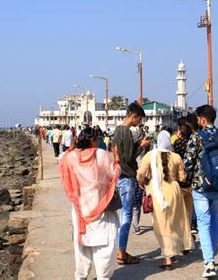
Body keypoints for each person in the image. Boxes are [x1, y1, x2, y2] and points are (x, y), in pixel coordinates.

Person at [59, 127, 121, 280]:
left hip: (80, 208)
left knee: (82, 246)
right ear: (93, 140)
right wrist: (117, 158)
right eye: (97, 138)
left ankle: (81, 276)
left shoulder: (71, 156)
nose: (99, 141)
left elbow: (62, 161)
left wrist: (71, 148)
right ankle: (103, 276)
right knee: (105, 246)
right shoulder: (102, 155)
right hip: (100, 206)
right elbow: (114, 174)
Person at [184, 105, 218, 278]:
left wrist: (188, 178)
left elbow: (188, 162)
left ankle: (209, 263)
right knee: (214, 221)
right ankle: (210, 258)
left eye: (198, 118)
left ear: (203, 119)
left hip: (200, 186)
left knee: (204, 223)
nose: (198, 121)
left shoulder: (196, 137)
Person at [137, 130, 193, 268]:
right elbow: (182, 177)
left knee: (161, 225)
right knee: (174, 223)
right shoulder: (176, 157)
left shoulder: (150, 155)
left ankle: (167, 258)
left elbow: (140, 173)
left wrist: (142, 182)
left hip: (156, 191)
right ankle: (172, 254)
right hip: (174, 191)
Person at [112, 102, 152, 265]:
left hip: (120, 176)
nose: (139, 122)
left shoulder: (117, 130)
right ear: (134, 116)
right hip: (127, 177)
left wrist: (137, 145)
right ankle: (121, 252)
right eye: (139, 119)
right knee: (127, 216)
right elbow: (128, 158)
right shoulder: (126, 132)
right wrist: (141, 146)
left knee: (124, 215)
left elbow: (122, 155)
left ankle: (119, 250)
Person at [173, 123, 194, 242]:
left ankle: (180, 238)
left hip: (178, 182)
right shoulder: (192, 144)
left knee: (178, 213)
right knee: (188, 212)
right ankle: (188, 238)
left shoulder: (177, 143)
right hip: (190, 182)